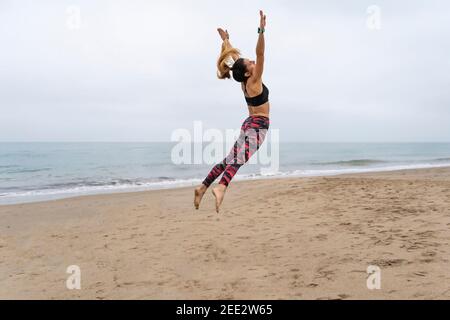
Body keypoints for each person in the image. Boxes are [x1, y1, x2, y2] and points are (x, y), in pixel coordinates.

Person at [194, 10, 270, 213]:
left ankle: (203, 187)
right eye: (251, 64)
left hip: (248, 124)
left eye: (252, 62)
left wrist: (226, 40)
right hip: (258, 126)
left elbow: (232, 59)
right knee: (238, 160)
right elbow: (260, 54)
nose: (254, 63)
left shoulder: (243, 79)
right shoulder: (254, 80)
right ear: (248, 72)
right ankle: (221, 188)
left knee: (230, 160)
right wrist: (261, 30)